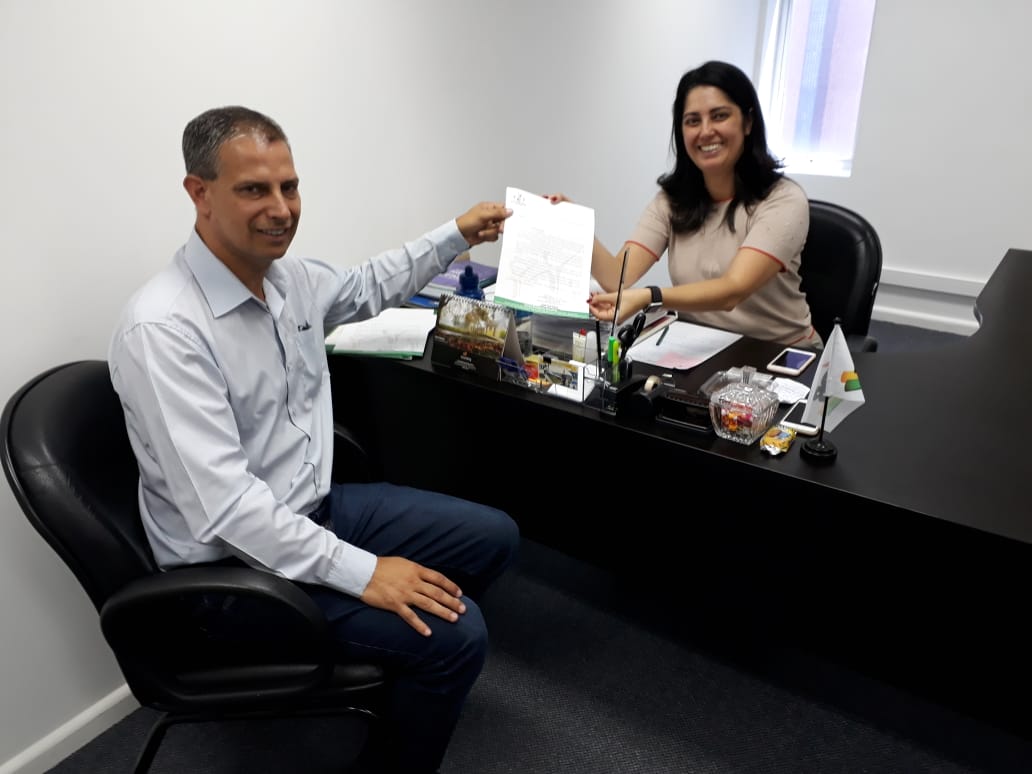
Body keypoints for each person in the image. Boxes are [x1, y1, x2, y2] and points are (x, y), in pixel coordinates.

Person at [108, 105, 520, 774]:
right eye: (254, 189)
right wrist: (365, 574)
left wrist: (457, 233)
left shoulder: (289, 279)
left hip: (311, 509)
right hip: (231, 572)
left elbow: (367, 284)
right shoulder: (164, 329)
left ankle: (395, 668)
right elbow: (229, 511)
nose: (281, 209)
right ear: (199, 193)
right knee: (459, 634)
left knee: (493, 536)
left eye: (289, 186)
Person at [549, 60, 821, 348]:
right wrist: (575, 227)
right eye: (692, 121)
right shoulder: (671, 201)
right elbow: (618, 277)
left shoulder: (783, 199)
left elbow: (732, 290)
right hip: (702, 348)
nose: (706, 131)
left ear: (748, 122)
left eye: (719, 116)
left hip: (780, 353)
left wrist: (651, 296)